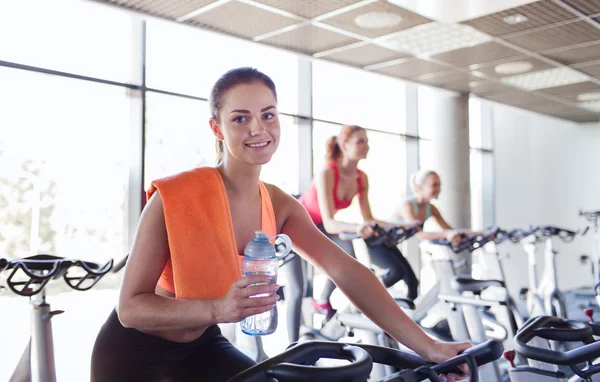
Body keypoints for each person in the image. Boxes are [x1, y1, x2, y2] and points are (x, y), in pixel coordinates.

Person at [91, 67, 471, 382]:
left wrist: (429, 347)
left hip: (200, 346)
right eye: (240, 118)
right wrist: (217, 309)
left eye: (268, 114)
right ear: (217, 128)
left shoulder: (278, 203)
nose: (258, 129)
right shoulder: (173, 197)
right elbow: (131, 308)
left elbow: (348, 271)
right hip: (131, 355)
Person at [396, 170, 466, 243]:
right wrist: (447, 234)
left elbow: (449, 230)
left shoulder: (431, 208)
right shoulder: (407, 205)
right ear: (420, 187)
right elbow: (418, 233)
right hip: (385, 244)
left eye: (439, 185)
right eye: (434, 185)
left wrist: (473, 233)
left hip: (394, 244)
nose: (439, 189)